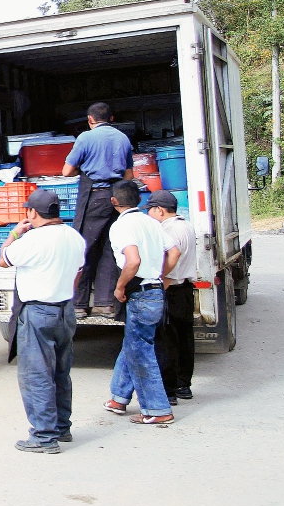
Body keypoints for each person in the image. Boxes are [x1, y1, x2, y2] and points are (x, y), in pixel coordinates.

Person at [0, 190, 87, 453]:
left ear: (33, 213)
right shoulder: (74, 237)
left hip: (38, 312)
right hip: (64, 310)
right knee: (60, 372)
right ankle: (62, 427)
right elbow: (77, 274)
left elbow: (3, 260)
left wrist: (15, 233)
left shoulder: (32, 240)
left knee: (36, 375)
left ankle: (43, 436)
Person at [103, 180, 180, 425]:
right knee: (134, 343)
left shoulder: (121, 226)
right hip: (155, 289)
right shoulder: (152, 223)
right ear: (139, 200)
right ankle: (118, 397)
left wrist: (119, 286)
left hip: (140, 292)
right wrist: (160, 275)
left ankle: (158, 410)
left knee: (141, 352)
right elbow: (175, 251)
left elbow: (132, 261)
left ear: (114, 201)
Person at [62, 102, 134, 318]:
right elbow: (129, 175)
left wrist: (82, 170)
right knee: (109, 249)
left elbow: (66, 171)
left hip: (94, 195)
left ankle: (79, 304)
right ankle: (105, 303)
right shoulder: (123, 138)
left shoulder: (85, 137)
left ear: (90, 119)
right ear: (111, 118)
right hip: (117, 198)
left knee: (83, 248)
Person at [147, 190, 198, 403]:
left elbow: (172, 255)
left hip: (171, 288)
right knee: (185, 339)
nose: (149, 214)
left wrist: (161, 276)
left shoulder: (167, 230)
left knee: (167, 341)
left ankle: (168, 390)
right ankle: (183, 385)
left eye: (150, 209)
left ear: (159, 210)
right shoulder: (186, 225)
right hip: (185, 288)